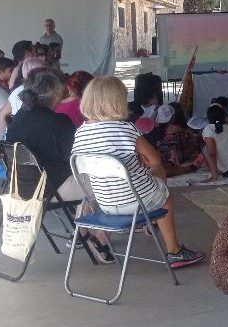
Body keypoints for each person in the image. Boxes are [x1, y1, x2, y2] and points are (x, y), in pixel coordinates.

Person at [72, 76, 205, 268]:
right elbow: (156, 161)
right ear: (118, 101)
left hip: (105, 203)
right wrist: (143, 163)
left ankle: (124, 233)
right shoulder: (125, 128)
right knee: (163, 191)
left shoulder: (81, 133)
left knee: (137, 183)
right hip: (136, 201)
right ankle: (174, 250)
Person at [5, 69, 115, 264]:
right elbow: (79, 160)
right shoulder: (58, 122)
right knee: (103, 181)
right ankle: (97, 236)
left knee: (88, 181)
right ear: (56, 94)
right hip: (50, 188)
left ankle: (81, 232)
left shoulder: (20, 116)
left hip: (20, 187)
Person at [202, 102, 228, 182]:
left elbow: (211, 154)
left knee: (205, 150)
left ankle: (215, 173)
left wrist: (214, 177)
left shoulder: (209, 129)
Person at [155, 103, 200, 177]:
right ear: (173, 117)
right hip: (178, 157)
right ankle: (189, 168)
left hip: (162, 157)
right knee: (197, 141)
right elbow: (184, 145)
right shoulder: (178, 128)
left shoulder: (155, 129)